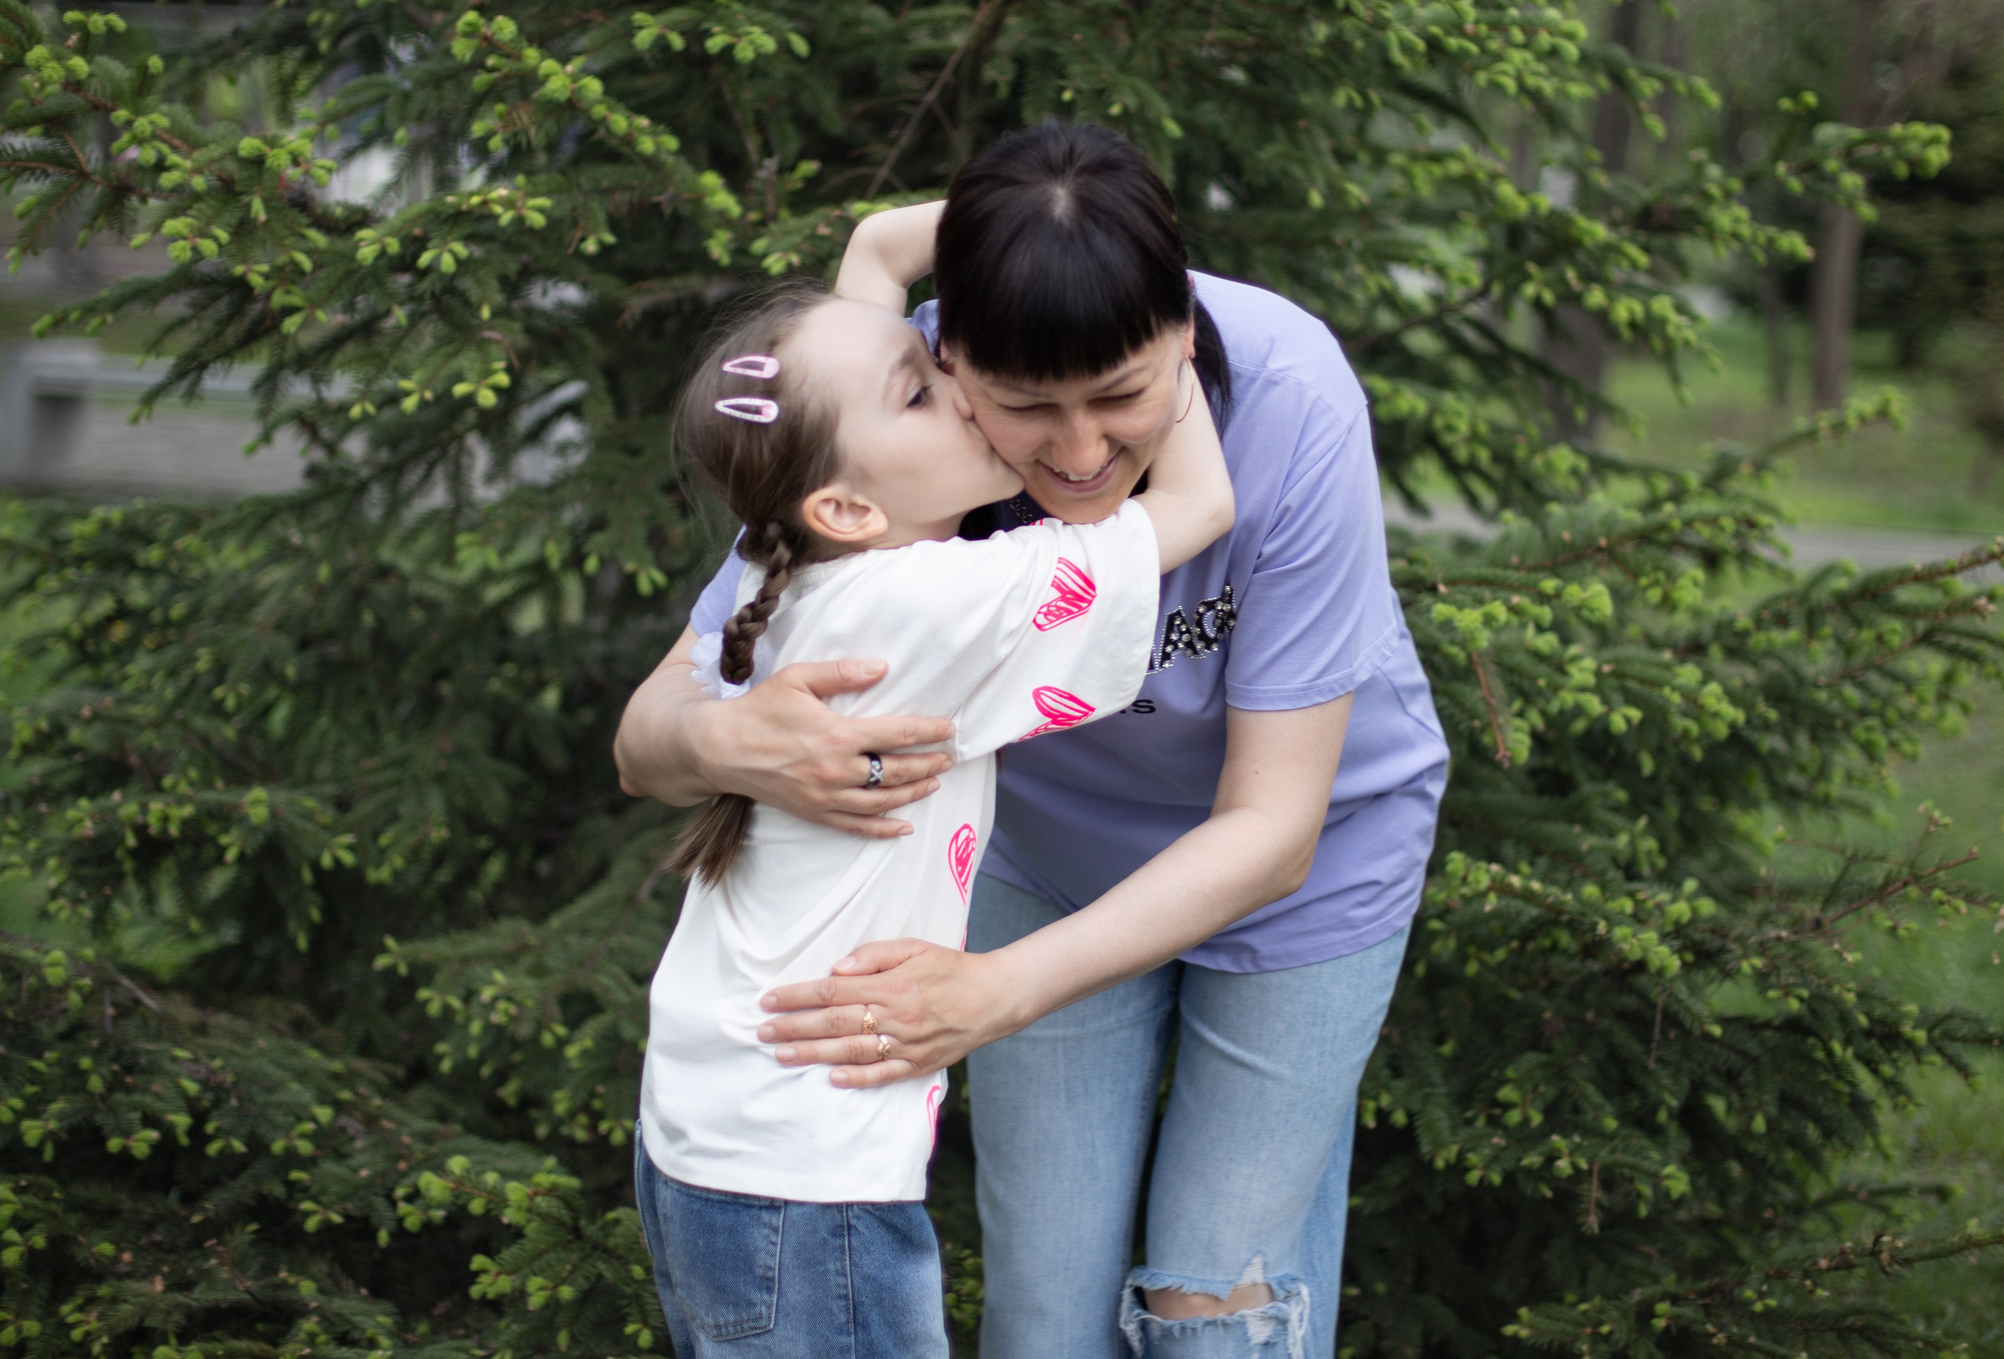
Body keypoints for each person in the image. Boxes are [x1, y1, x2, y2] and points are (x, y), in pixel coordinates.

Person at [615, 121, 1450, 1359]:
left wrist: (994, 993)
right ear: (946, 365)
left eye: (1124, 398)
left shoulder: (1288, 395)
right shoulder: (895, 440)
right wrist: (743, 745)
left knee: (1212, 1306)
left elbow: (1272, 831)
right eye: (1025, 411)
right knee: (1045, 1316)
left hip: (1304, 876)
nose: (1075, 455)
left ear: (1183, 337)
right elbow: (651, 736)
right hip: (1039, 861)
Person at [634, 278, 1236, 1359]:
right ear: (850, 509)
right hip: (805, 1178)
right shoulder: (927, 605)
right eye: (917, 390)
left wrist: (889, 248)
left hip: (713, 1132)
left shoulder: (788, 583)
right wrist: (1148, 327)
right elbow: (1197, 507)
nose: (958, 386)